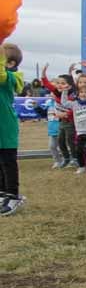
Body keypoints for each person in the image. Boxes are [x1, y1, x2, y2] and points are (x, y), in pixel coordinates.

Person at [0, 42, 24, 215]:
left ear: (10, 64)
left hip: (6, 126)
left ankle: (13, 196)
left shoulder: (9, 77)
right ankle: (2, 194)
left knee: (8, 162)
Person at [42, 67, 77, 168]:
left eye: (63, 83)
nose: (59, 85)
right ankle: (66, 158)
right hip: (62, 122)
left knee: (70, 141)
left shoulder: (72, 96)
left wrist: (66, 114)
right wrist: (43, 73)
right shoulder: (57, 93)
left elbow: (75, 108)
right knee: (61, 141)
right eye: (58, 83)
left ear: (70, 86)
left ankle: (75, 158)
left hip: (71, 122)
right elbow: (47, 84)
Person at [44, 95, 61, 168]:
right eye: (51, 92)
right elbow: (44, 114)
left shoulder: (61, 102)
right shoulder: (49, 103)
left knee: (64, 147)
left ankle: (71, 160)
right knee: (52, 146)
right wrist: (36, 107)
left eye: (54, 93)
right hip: (52, 130)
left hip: (61, 129)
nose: (52, 94)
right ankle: (57, 161)